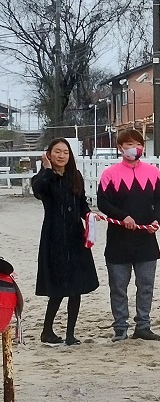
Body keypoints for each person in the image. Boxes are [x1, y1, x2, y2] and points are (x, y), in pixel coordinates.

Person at [97, 129, 160, 341]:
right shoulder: (109, 174)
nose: (133, 148)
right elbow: (103, 202)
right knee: (118, 286)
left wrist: (157, 220)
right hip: (119, 240)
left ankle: (143, 326)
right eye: (128, 144)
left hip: (146, 238)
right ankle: (120, 327)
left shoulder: (153, 172)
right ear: (120, 147)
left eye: (137, 144)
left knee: (145, 285)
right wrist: (123, 216)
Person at [32, 138, 99, 346]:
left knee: (76, 286)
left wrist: (90, 216)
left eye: (66, 152)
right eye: (57, 152)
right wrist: (47, 169)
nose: (62, 156)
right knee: (59, 287)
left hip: (75, 237)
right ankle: (47, 330)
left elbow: (81, 205)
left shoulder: (75, 176)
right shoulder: (45, 178)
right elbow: (38, 190)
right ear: (49, 154)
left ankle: (70, 334)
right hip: (54, 237)